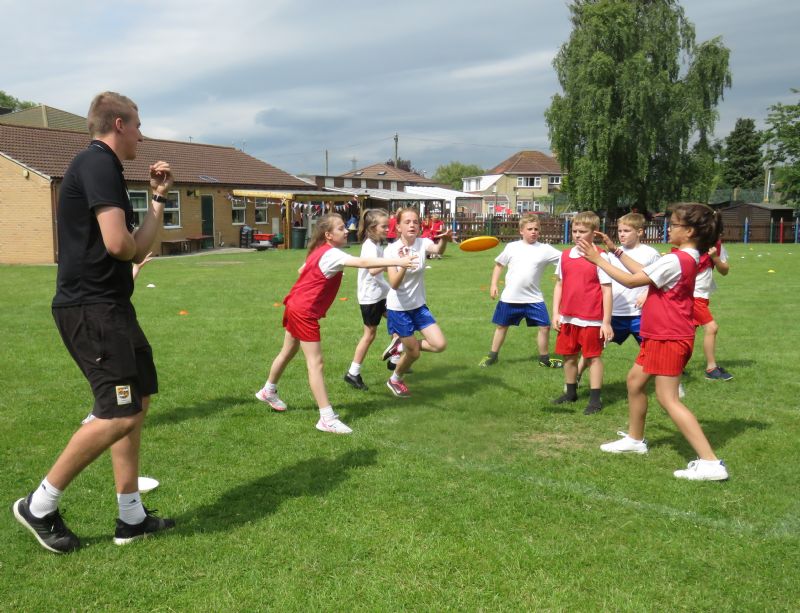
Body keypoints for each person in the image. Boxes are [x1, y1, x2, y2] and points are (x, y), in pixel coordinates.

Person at [12, 92, 175, 554]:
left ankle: (131, 517)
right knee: (118, 411)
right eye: (138, 125)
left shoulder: (108, 169)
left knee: (137, 401)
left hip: (112, 307)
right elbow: (120, 245)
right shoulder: (98, 163)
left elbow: (137, 251)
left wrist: (158, 199)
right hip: (92, 309)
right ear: (119, 124)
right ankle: (39, 505)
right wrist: (131, 243)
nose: (142, 135)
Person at [577, 202, 729, 481]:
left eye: (674, 224)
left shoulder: (677, 260)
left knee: (668, 399)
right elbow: (646, 273)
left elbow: (633, 281)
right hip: (659, 334)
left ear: (689, 231)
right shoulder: (682, 257)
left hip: (669, 337)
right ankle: (635, 440)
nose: (668, 228)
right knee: (635, 382)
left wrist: (598, 260)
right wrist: (615, 251)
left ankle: (711, 463)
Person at [255, 213, 416, 433]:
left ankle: (268, 390)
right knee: (316, 363)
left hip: (295, 304)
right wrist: (398, 261)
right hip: (303, 311)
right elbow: (363, 263)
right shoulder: (331, 253)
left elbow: (302, 270)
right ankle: (326, 418)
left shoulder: (320, 250)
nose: (347, 230)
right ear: (328, 235)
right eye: (341, 228)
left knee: (288, 352)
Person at [574, 213, 660, 381]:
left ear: (640, 232)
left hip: (640, 315)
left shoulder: (650, 253)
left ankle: (671, 382)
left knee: (654, 349)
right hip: (614, 314)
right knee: (593, 348)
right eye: (620, 231)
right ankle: (575, 376)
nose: (622, 234)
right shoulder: (611, 254)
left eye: (626, 231)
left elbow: (659, 279)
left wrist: (647, 293)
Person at [383, 207, 451, 397]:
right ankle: (395, 379)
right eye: (407, 222)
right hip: (399, 308)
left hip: (419, 306)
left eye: (415, 222)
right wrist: (404, 265)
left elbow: (437, 250)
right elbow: (394, 284)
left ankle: (400, 346)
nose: (412, 225)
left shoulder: (423, 243)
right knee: (414, 353)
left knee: (439, 345)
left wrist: (444, 240)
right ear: (398, 227)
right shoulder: (390, 250)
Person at [478, 214, 562, 369]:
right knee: (501, 326)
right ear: (521, 231)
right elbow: (499, 265)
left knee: (545, 327)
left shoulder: (545, 249)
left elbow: (566, 259)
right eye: (530, 229)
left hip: (534, 298)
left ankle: (544, 359)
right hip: (510, 298)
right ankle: (492, 356)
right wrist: (493, 284)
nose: (533, 232)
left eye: (536, 229)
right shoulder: (512, 247)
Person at [552, 211, 613, 415]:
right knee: (568, 356)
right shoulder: (565, 255)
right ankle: (570, 393)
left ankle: (595, 399)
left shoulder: (600, 257)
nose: (577, 235)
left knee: (593, 357)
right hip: (568, 316)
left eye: (583, 231)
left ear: (594, 233)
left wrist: (606, 322)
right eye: (575, 231)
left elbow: (607, 290)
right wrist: (556, 313)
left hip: (592, 319)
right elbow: (559, 285)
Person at [343, 209, 400, 390]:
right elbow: (373, 269)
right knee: (369, 335)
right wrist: (392, 262)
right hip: (371, 297)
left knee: (399, 320)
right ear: (373, 228)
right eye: (384, 226)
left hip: (381, 293)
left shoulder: (377, 244)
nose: (387, 229)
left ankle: (395, 359)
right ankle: (353, 373)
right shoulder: (369, 246)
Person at [694, 240, 732, 380]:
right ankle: (711, 368)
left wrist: (715, 258)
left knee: (688, 333)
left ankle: (676, 368)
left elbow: (724, 271)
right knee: (711, 327)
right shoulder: (690, 243)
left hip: (702, 295)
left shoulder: (716, 245)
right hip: (692, 295)